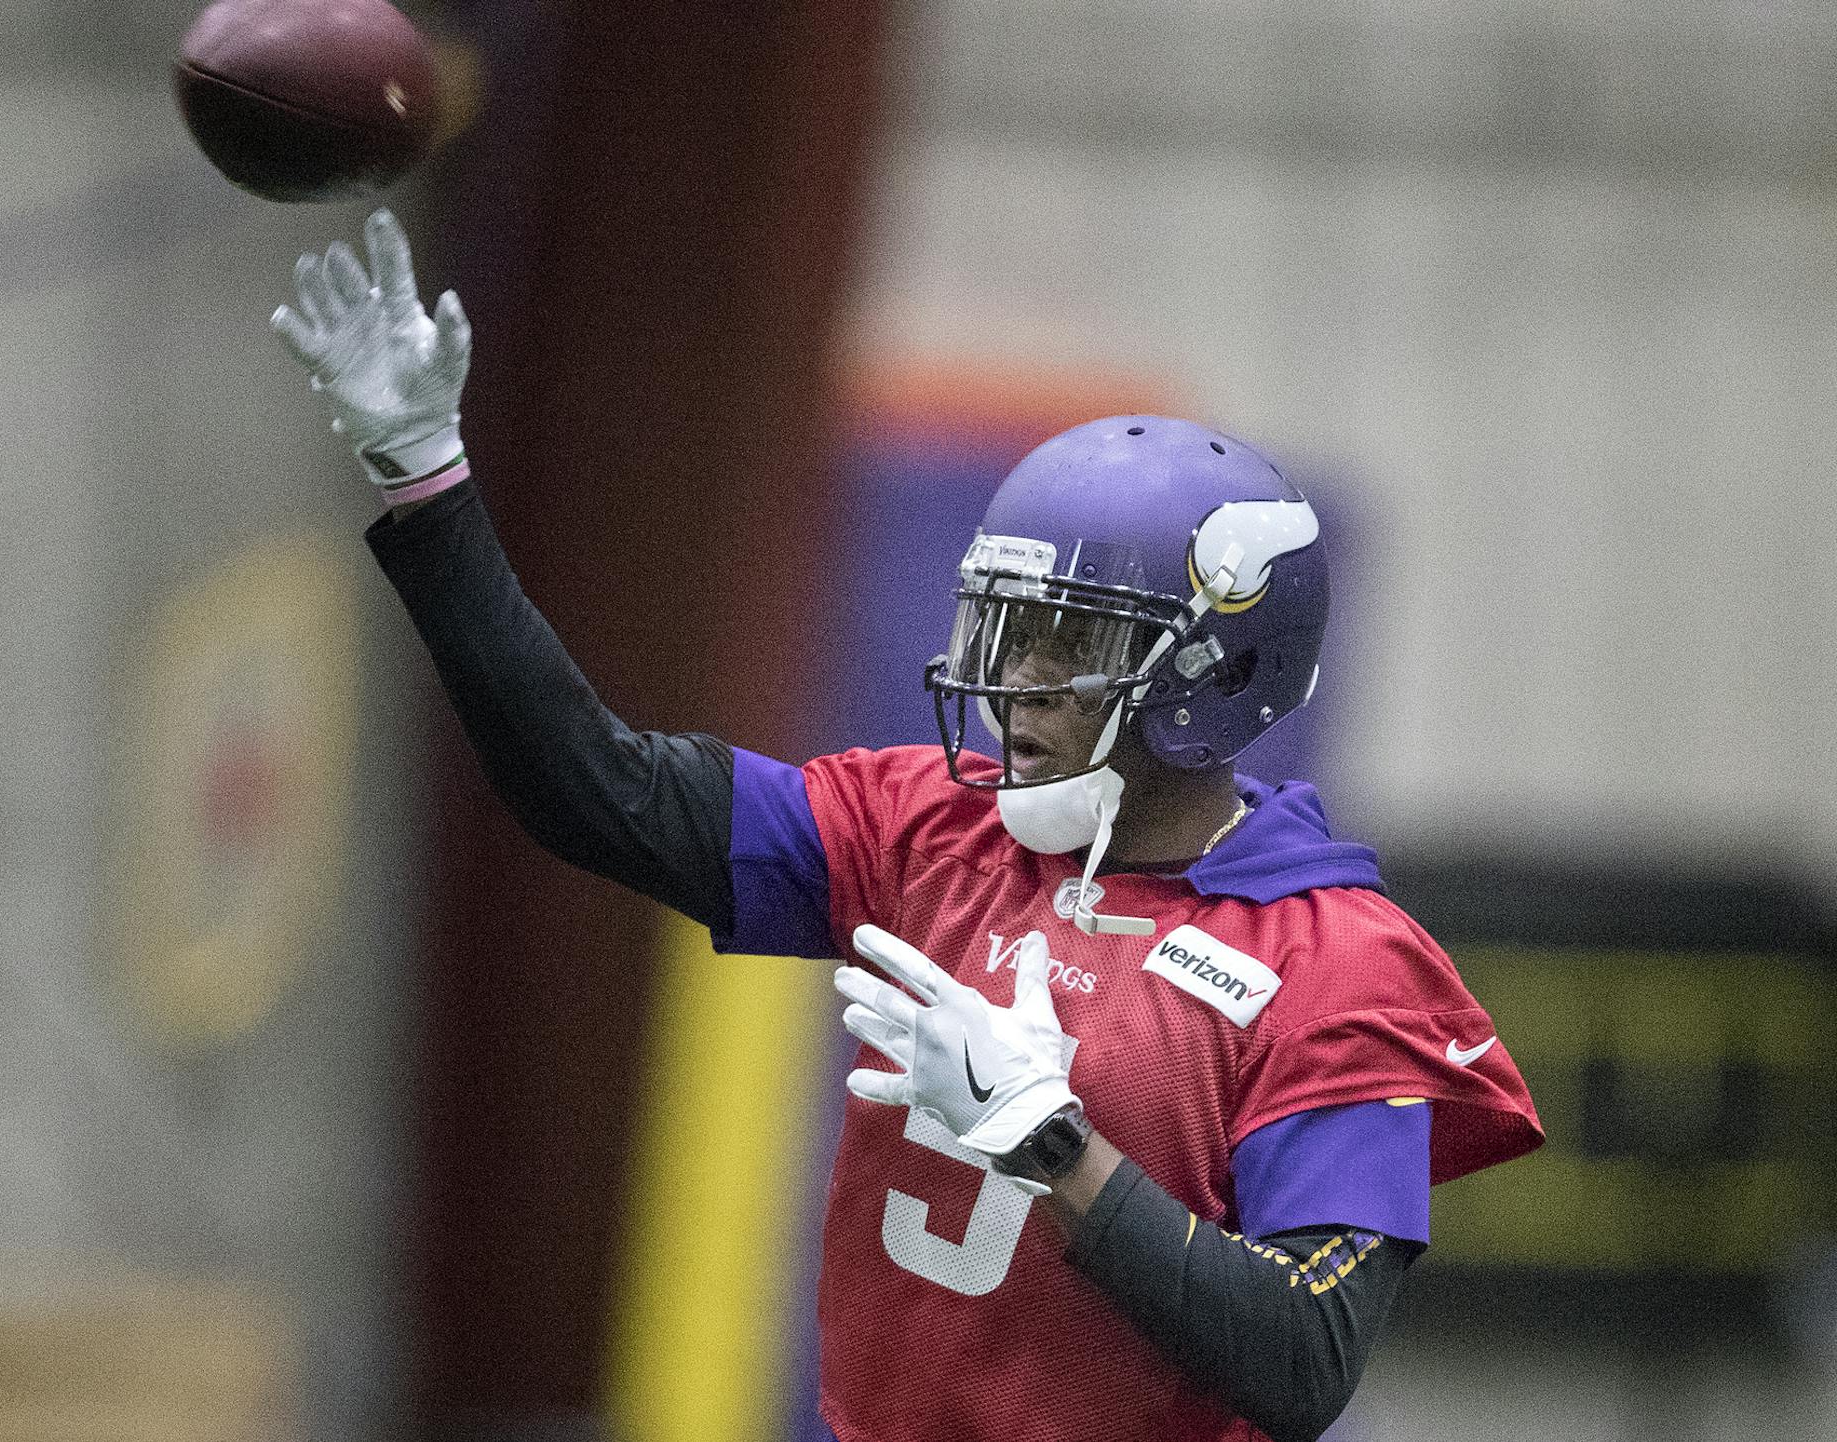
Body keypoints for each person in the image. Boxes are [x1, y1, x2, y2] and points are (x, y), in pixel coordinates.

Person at [270, 210, 1543, 1442]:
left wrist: (1056, 1144)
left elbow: (1306, 1356)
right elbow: (593, 790)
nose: (1015, 681)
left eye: (1071, 642)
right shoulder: (930, 827)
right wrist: (428, 485)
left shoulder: (1340, 967)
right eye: (1008, 628)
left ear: (1215, 674)